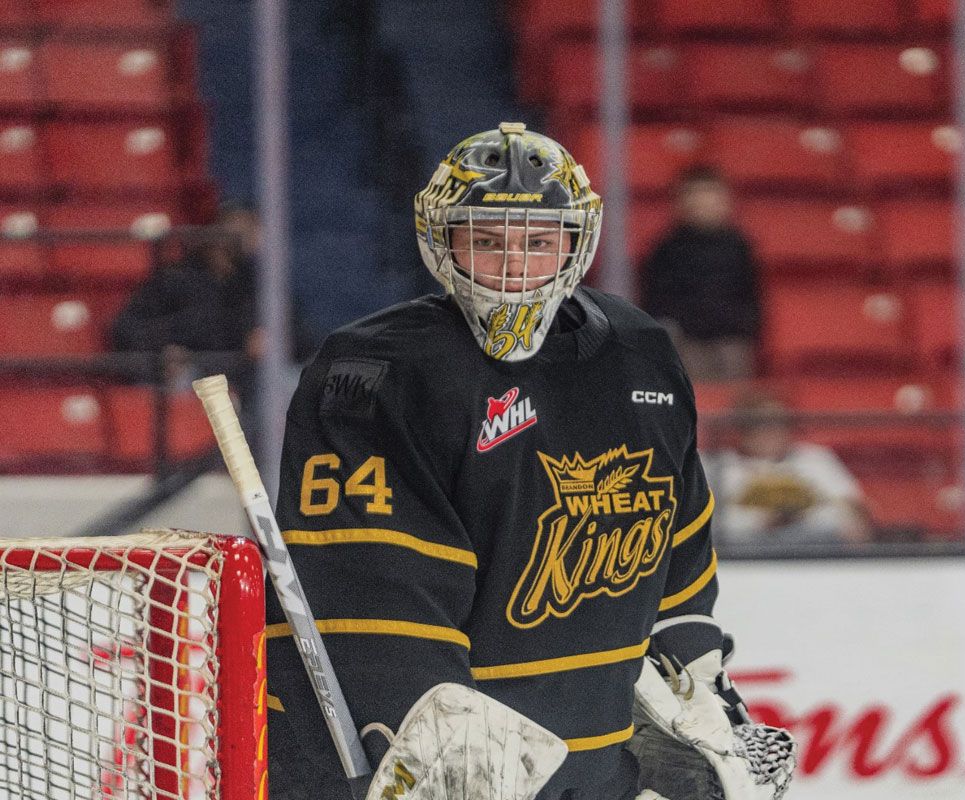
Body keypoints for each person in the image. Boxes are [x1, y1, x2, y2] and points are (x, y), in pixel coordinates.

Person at [265, 123, 795, 800]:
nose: (514, 266)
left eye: (538, 242)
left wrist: (700, 680)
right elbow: (374, 598)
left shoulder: (641, 354)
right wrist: (431, 742)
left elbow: (678, 545)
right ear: (442, 240)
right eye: (486, 241)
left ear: (575, 244)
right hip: (438, 772)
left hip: (595, 768)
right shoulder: (381, 370)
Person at [110, 202, 263, 391]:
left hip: (245, 377)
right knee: (188, 382)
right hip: (193, 375)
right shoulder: (175, 278)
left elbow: (300, 339)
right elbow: (126, 329)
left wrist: (273, 342)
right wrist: (164, 352)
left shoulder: (257, 285)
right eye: (237, 228)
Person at [640, 165, 762, 381]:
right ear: (680, 203)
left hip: (731, 340)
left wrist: (742, 328)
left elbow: (751, 296)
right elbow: (655, 302)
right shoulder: (665, 250)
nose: (703, 204)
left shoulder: (740, 247)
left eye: (710, 196)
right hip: (687, 342)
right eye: (696, 196)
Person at [705, 389, 872, 546]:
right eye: (760, 424)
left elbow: (855, 513)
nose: (771, 432)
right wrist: (764, 519)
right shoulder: (719, 465)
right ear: (741, 430)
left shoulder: (815, 458)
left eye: (778, 423)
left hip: (812, 551)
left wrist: (799, 512)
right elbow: (708, 526)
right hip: (745, 553)